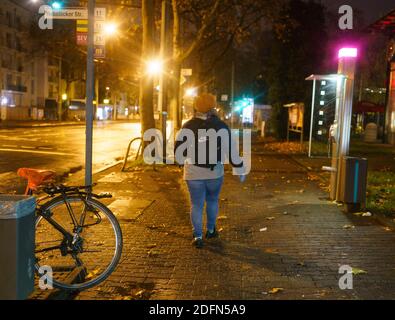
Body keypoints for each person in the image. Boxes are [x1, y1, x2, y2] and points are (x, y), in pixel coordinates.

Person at [175, 93, 247, 249]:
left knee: (196, 204)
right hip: (214, 172)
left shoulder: (188, 126)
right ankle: (211, 230)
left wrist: (180, 162)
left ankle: (198, 236)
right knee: (213, 200)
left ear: (196, 106)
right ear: (213, 106)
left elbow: (178, 150)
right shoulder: (221, 125)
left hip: (193, 171)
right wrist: (239, 168)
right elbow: (231, 150)